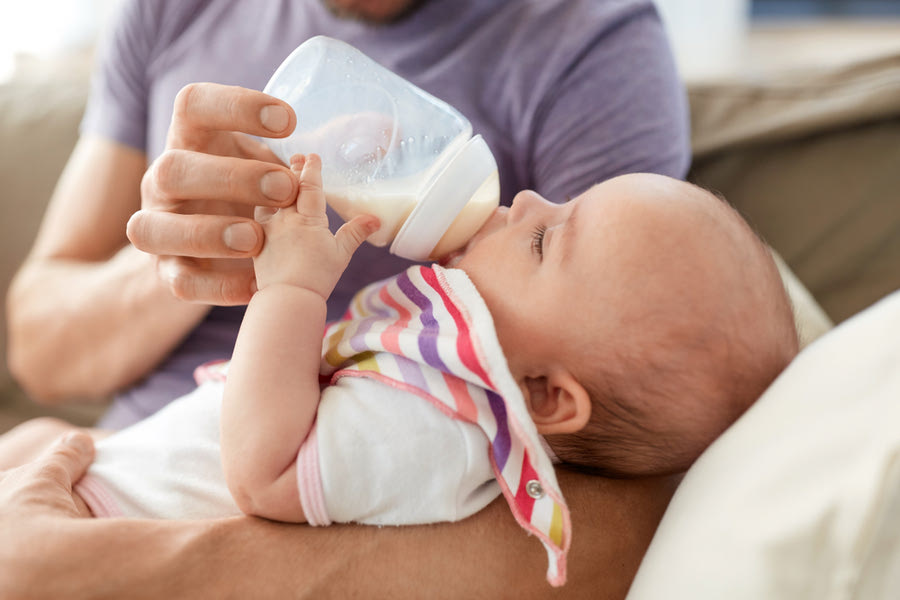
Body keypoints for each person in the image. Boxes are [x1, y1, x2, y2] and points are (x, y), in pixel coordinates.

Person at [3, 0, 690, 595]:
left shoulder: (586, 41)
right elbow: (39, 351)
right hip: (134, 454)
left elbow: (628, 491)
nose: (527, 205)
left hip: (228, 513)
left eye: (541, 236)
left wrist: (142, 566)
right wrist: (193, 253)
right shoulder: (169, 11)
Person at [2, 156, 797, 588]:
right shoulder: (439, 370)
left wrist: (291, 291)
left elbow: (266, 470)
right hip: (98, 473)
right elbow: (34, 338)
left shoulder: (441, 429)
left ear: (549, 395)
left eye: (546, 242)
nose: (522, 200)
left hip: (109, 522)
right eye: (556, 203)